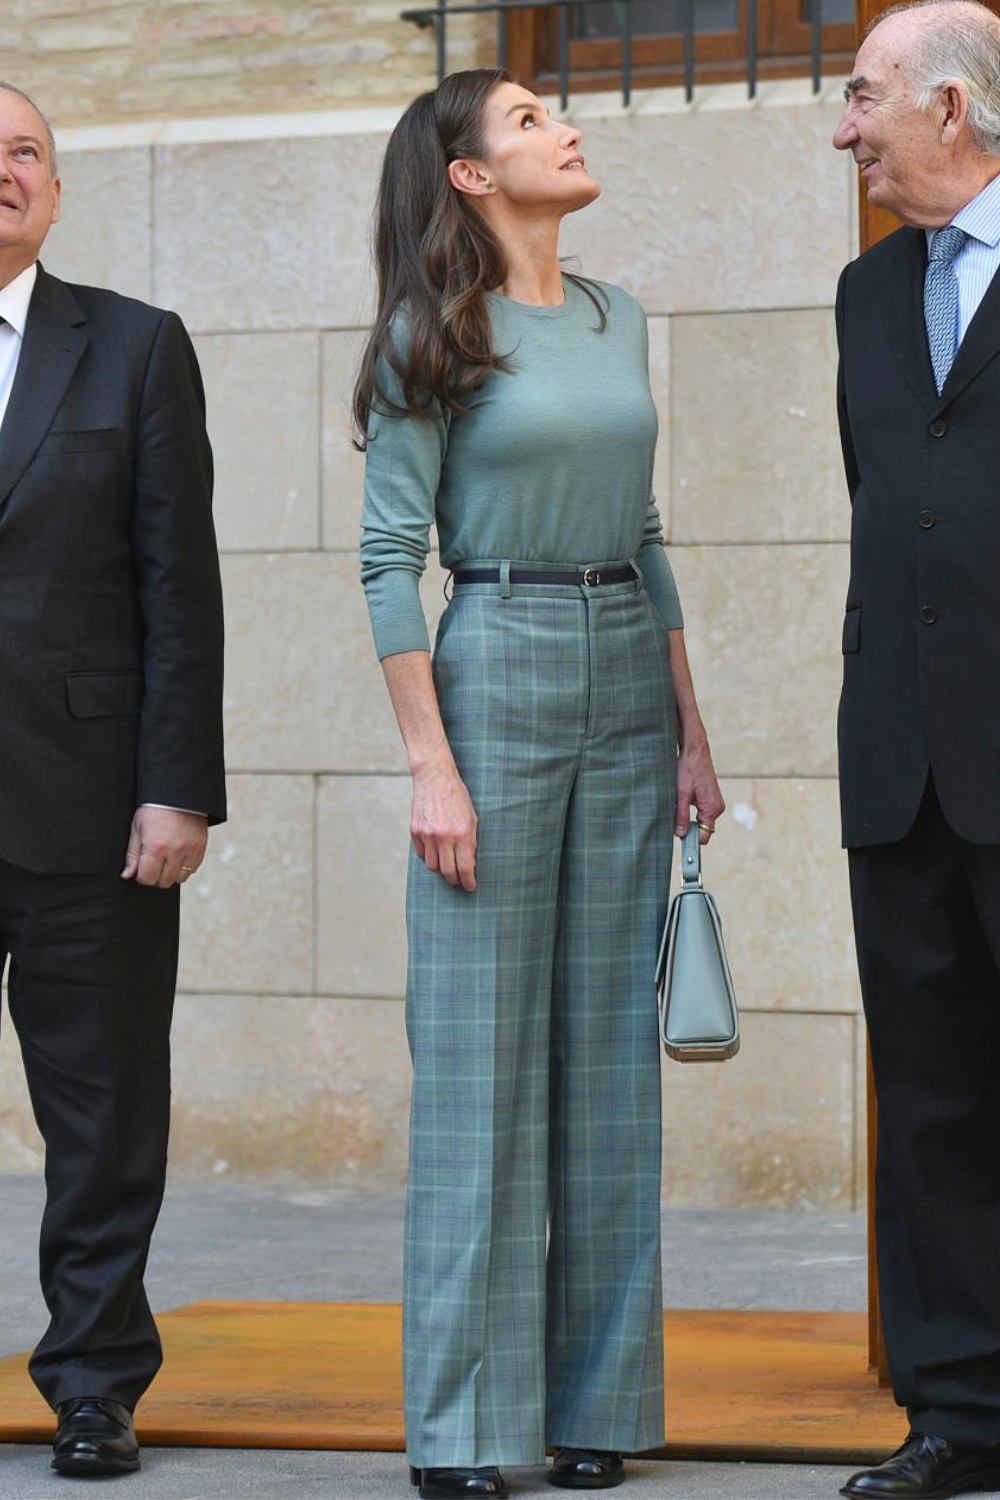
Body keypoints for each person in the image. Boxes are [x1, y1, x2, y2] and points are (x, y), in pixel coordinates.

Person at [356, 68, 723, 1500]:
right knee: (476, 1068)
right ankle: (462, 1429)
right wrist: (428, 766)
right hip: (493, 656)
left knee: (602, 1071)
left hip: (627, 667)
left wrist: (691, 726)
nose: (562, 129)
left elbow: (642, 529)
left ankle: (596, 1409)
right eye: (525, 122)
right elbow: (391, 563)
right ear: (467, 175)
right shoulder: (426, 334)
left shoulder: (613, 315)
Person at [0, 81, 225, 1477]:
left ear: (58, 190)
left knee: (100, 1114)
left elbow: (177, 587)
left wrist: (178, 787)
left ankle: (94, 1383)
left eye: (22, 153)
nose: (1, 173)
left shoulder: (136, 349)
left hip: (91, 807)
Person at [832, 4, 1000, 1496]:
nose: (847, 125)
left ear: (949, 107)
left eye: (864, 95)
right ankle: (956, 1414)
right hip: (902, 770)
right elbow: (883, 516)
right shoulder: (865, 292)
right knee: (932, 1102)